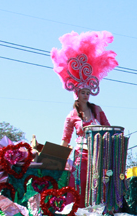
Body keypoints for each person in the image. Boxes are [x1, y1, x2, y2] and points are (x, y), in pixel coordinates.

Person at [51, 30, 119, 205]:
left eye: (88, 93)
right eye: (83, 92)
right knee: (79, 184)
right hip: (81, 155)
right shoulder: (71, 116)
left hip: (99, 155)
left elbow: (109, 129)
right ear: (76, 94)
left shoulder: (97, 110)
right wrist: (55, 163)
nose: (86, 96)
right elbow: (65, 141)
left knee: (98, 186)